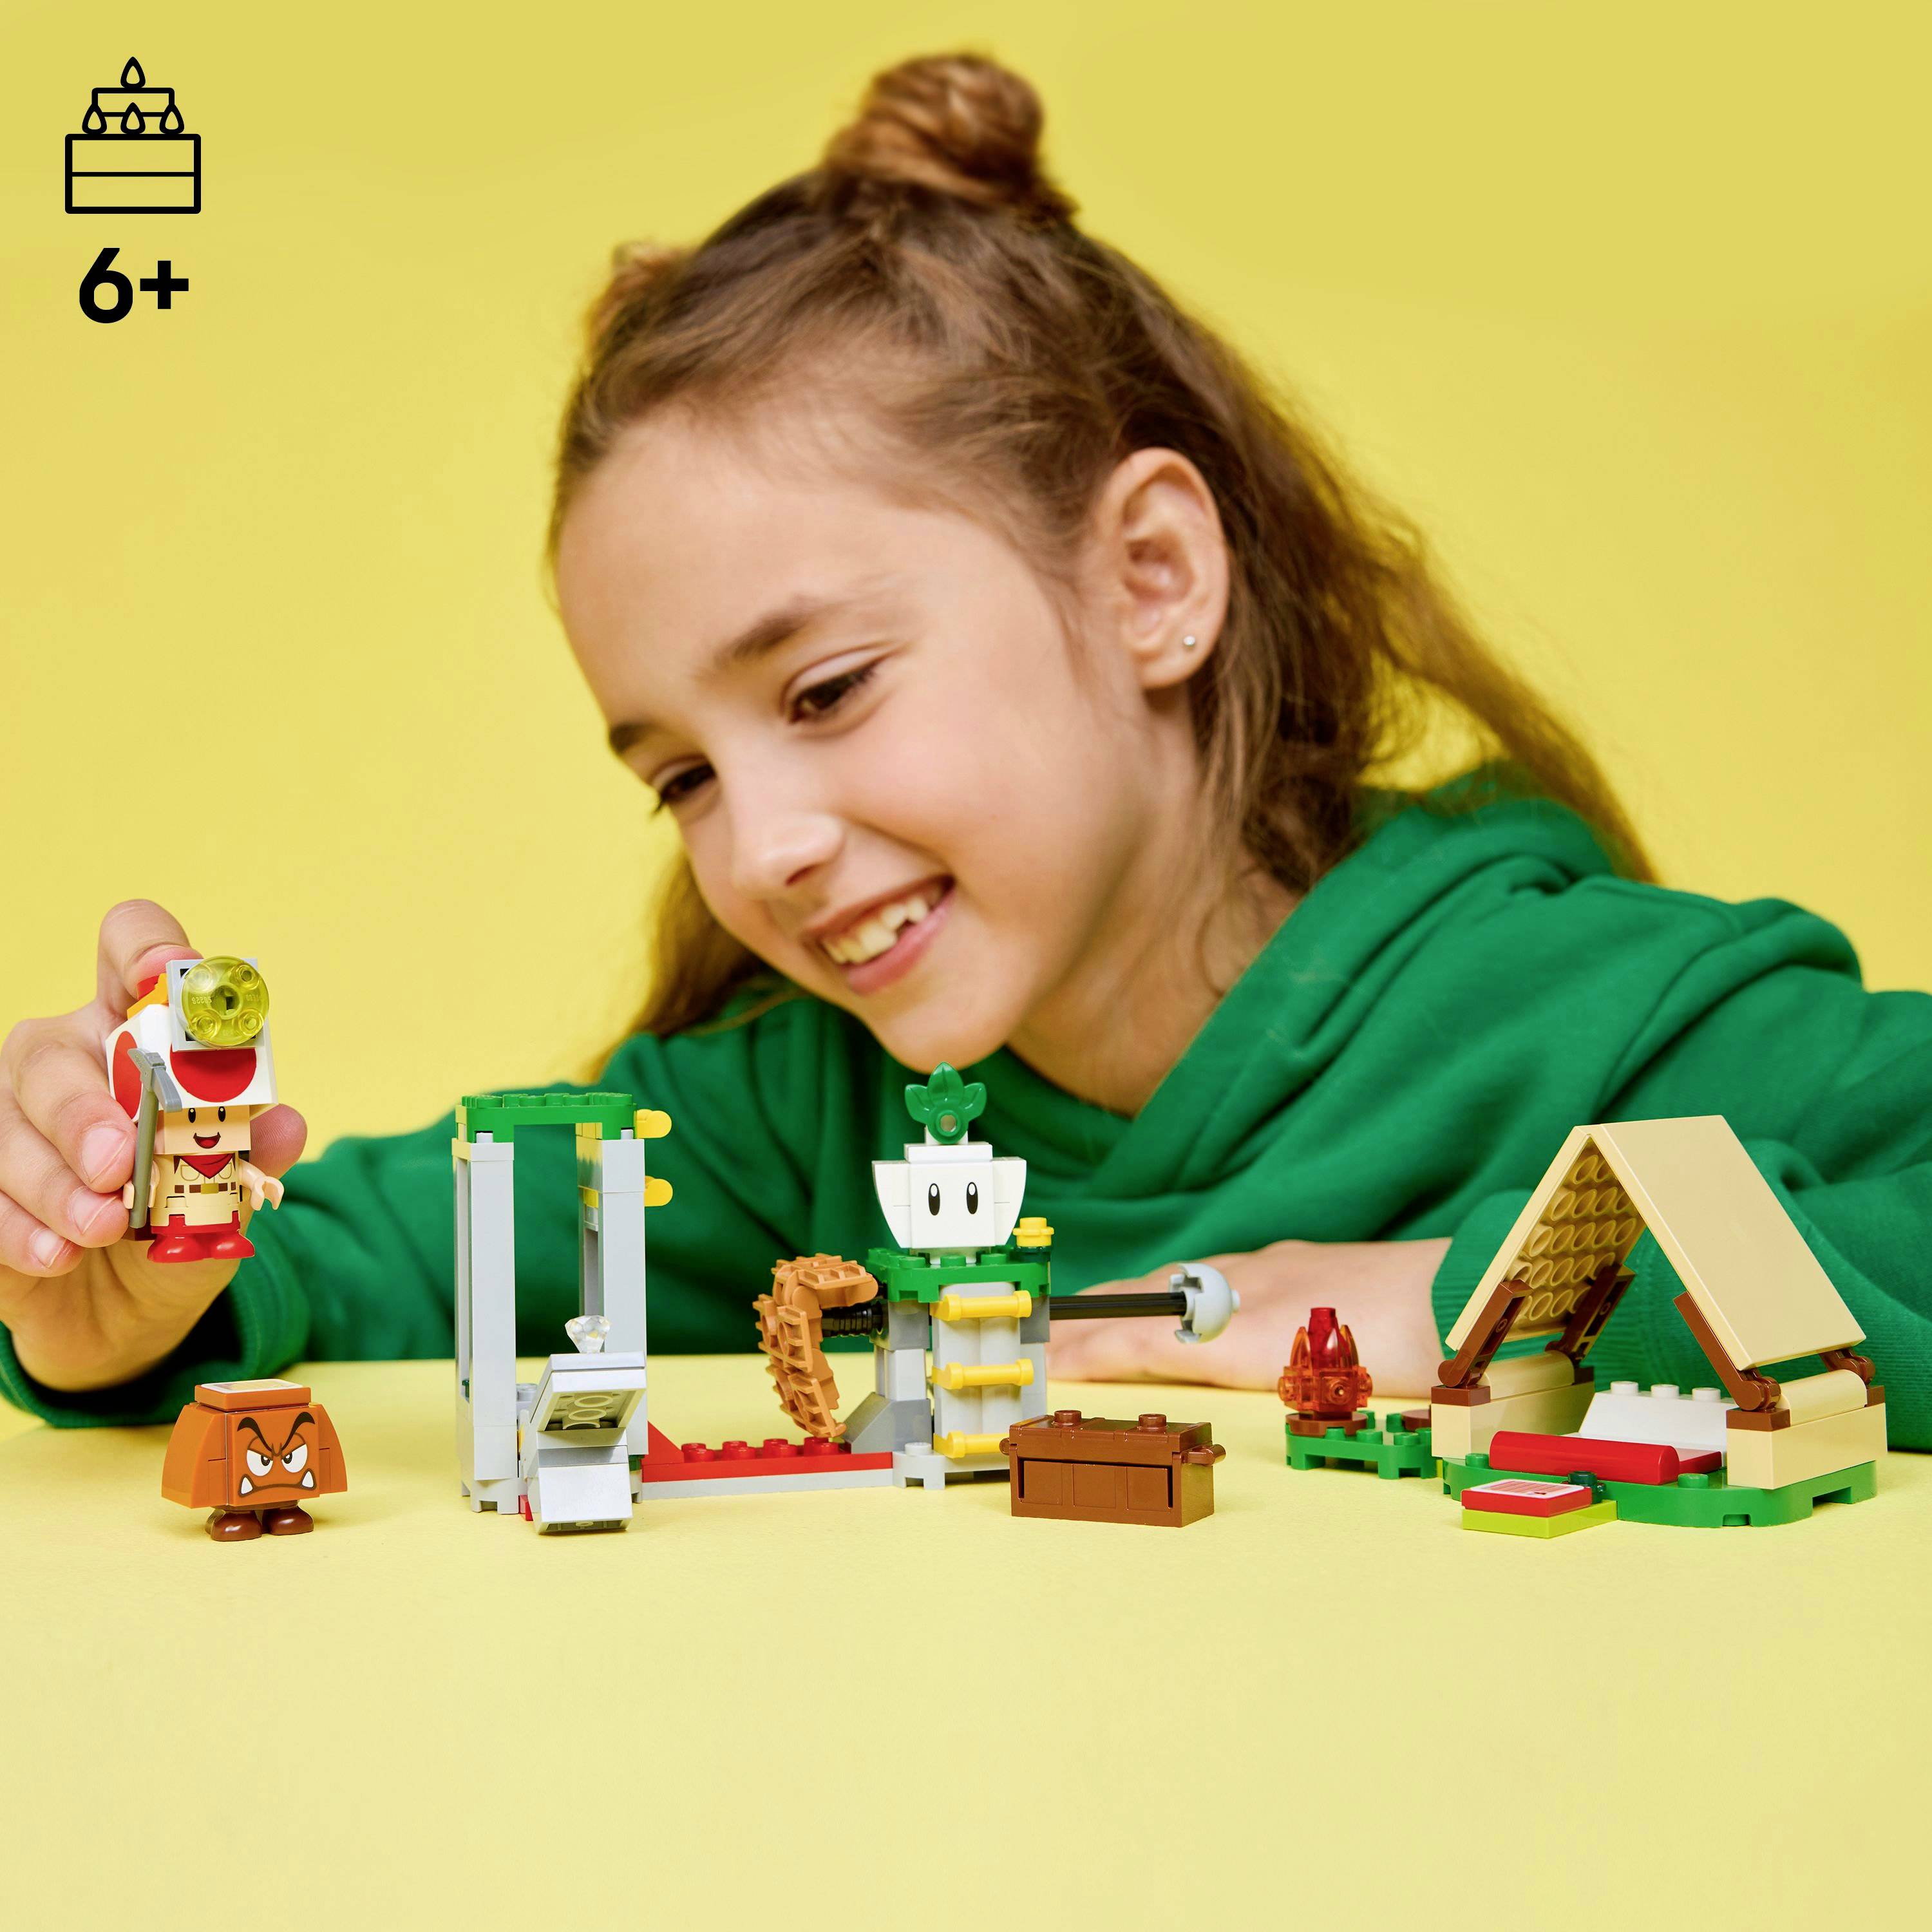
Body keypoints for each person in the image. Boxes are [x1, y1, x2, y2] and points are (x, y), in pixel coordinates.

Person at [3, 53, 1927, 1446]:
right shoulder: (793, 1123)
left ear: (1153, 578)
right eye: (677, 774)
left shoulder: (1589, 1018)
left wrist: (1475, 1305)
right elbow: (356, 1260)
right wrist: (125, 1294)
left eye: (826, 692)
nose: (755, 846)